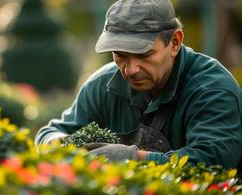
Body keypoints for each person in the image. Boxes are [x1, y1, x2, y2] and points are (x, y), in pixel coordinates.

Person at [35, 0, 242, 170]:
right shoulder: (101, 85)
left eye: (144, 54)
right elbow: (50, 132)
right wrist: (60, 145)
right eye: (120, 55)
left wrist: (132, 157)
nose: (131, 69)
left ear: (175, 42)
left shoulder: (212, 90)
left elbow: (212, 163)